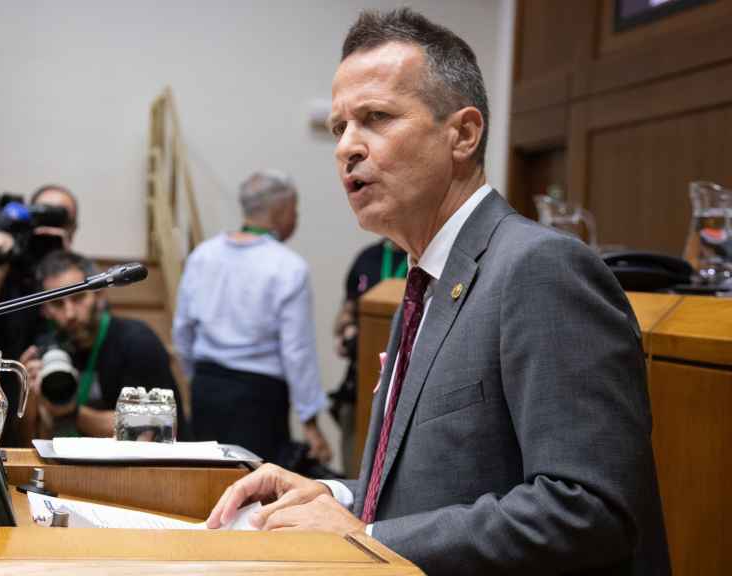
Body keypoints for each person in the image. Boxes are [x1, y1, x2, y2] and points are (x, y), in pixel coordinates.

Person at [207, 9, 669, 575]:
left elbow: (589, 509)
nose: (347, 148)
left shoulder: (540, 268)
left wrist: (365, 536)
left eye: (375, 118)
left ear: (464, 134)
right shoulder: (425, 279)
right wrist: (334, 498)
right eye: (339, 127)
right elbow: (437, 487)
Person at [172, 170, 331, 467]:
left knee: (205, 481)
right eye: (295, 211)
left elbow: (182, 331)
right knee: (253, 491)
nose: (295, 219)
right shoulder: (288, 267)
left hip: (207, 388)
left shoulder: (202, 255)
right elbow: (297, 352)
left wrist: (196, 379)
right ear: (281, 210)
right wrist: (310, 421)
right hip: (259, 399)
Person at [20, 250, 187, 439]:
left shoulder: (136, 341)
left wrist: (71, 411)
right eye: (57, 304)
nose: (70, 314)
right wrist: (29, 400)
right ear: (44, 310)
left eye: (78, 298)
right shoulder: (46, 349)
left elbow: (147, 430)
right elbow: (28, 443)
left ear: (99, 296)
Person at [0, 184, 78, 361]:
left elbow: (81, 334)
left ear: (73, 228)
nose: (48, 229)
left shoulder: (82, 274)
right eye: (42, 216)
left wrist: (64, 263)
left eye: (58, 219)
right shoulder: (9, 263)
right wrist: (0, 267)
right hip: (9, 377)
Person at [329, 239, 407, 469]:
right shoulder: (367, 257)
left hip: (403, 389)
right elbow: (345, 314)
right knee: (355, 471)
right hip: (360, 387)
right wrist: (346, 332)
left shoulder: (423, 258)